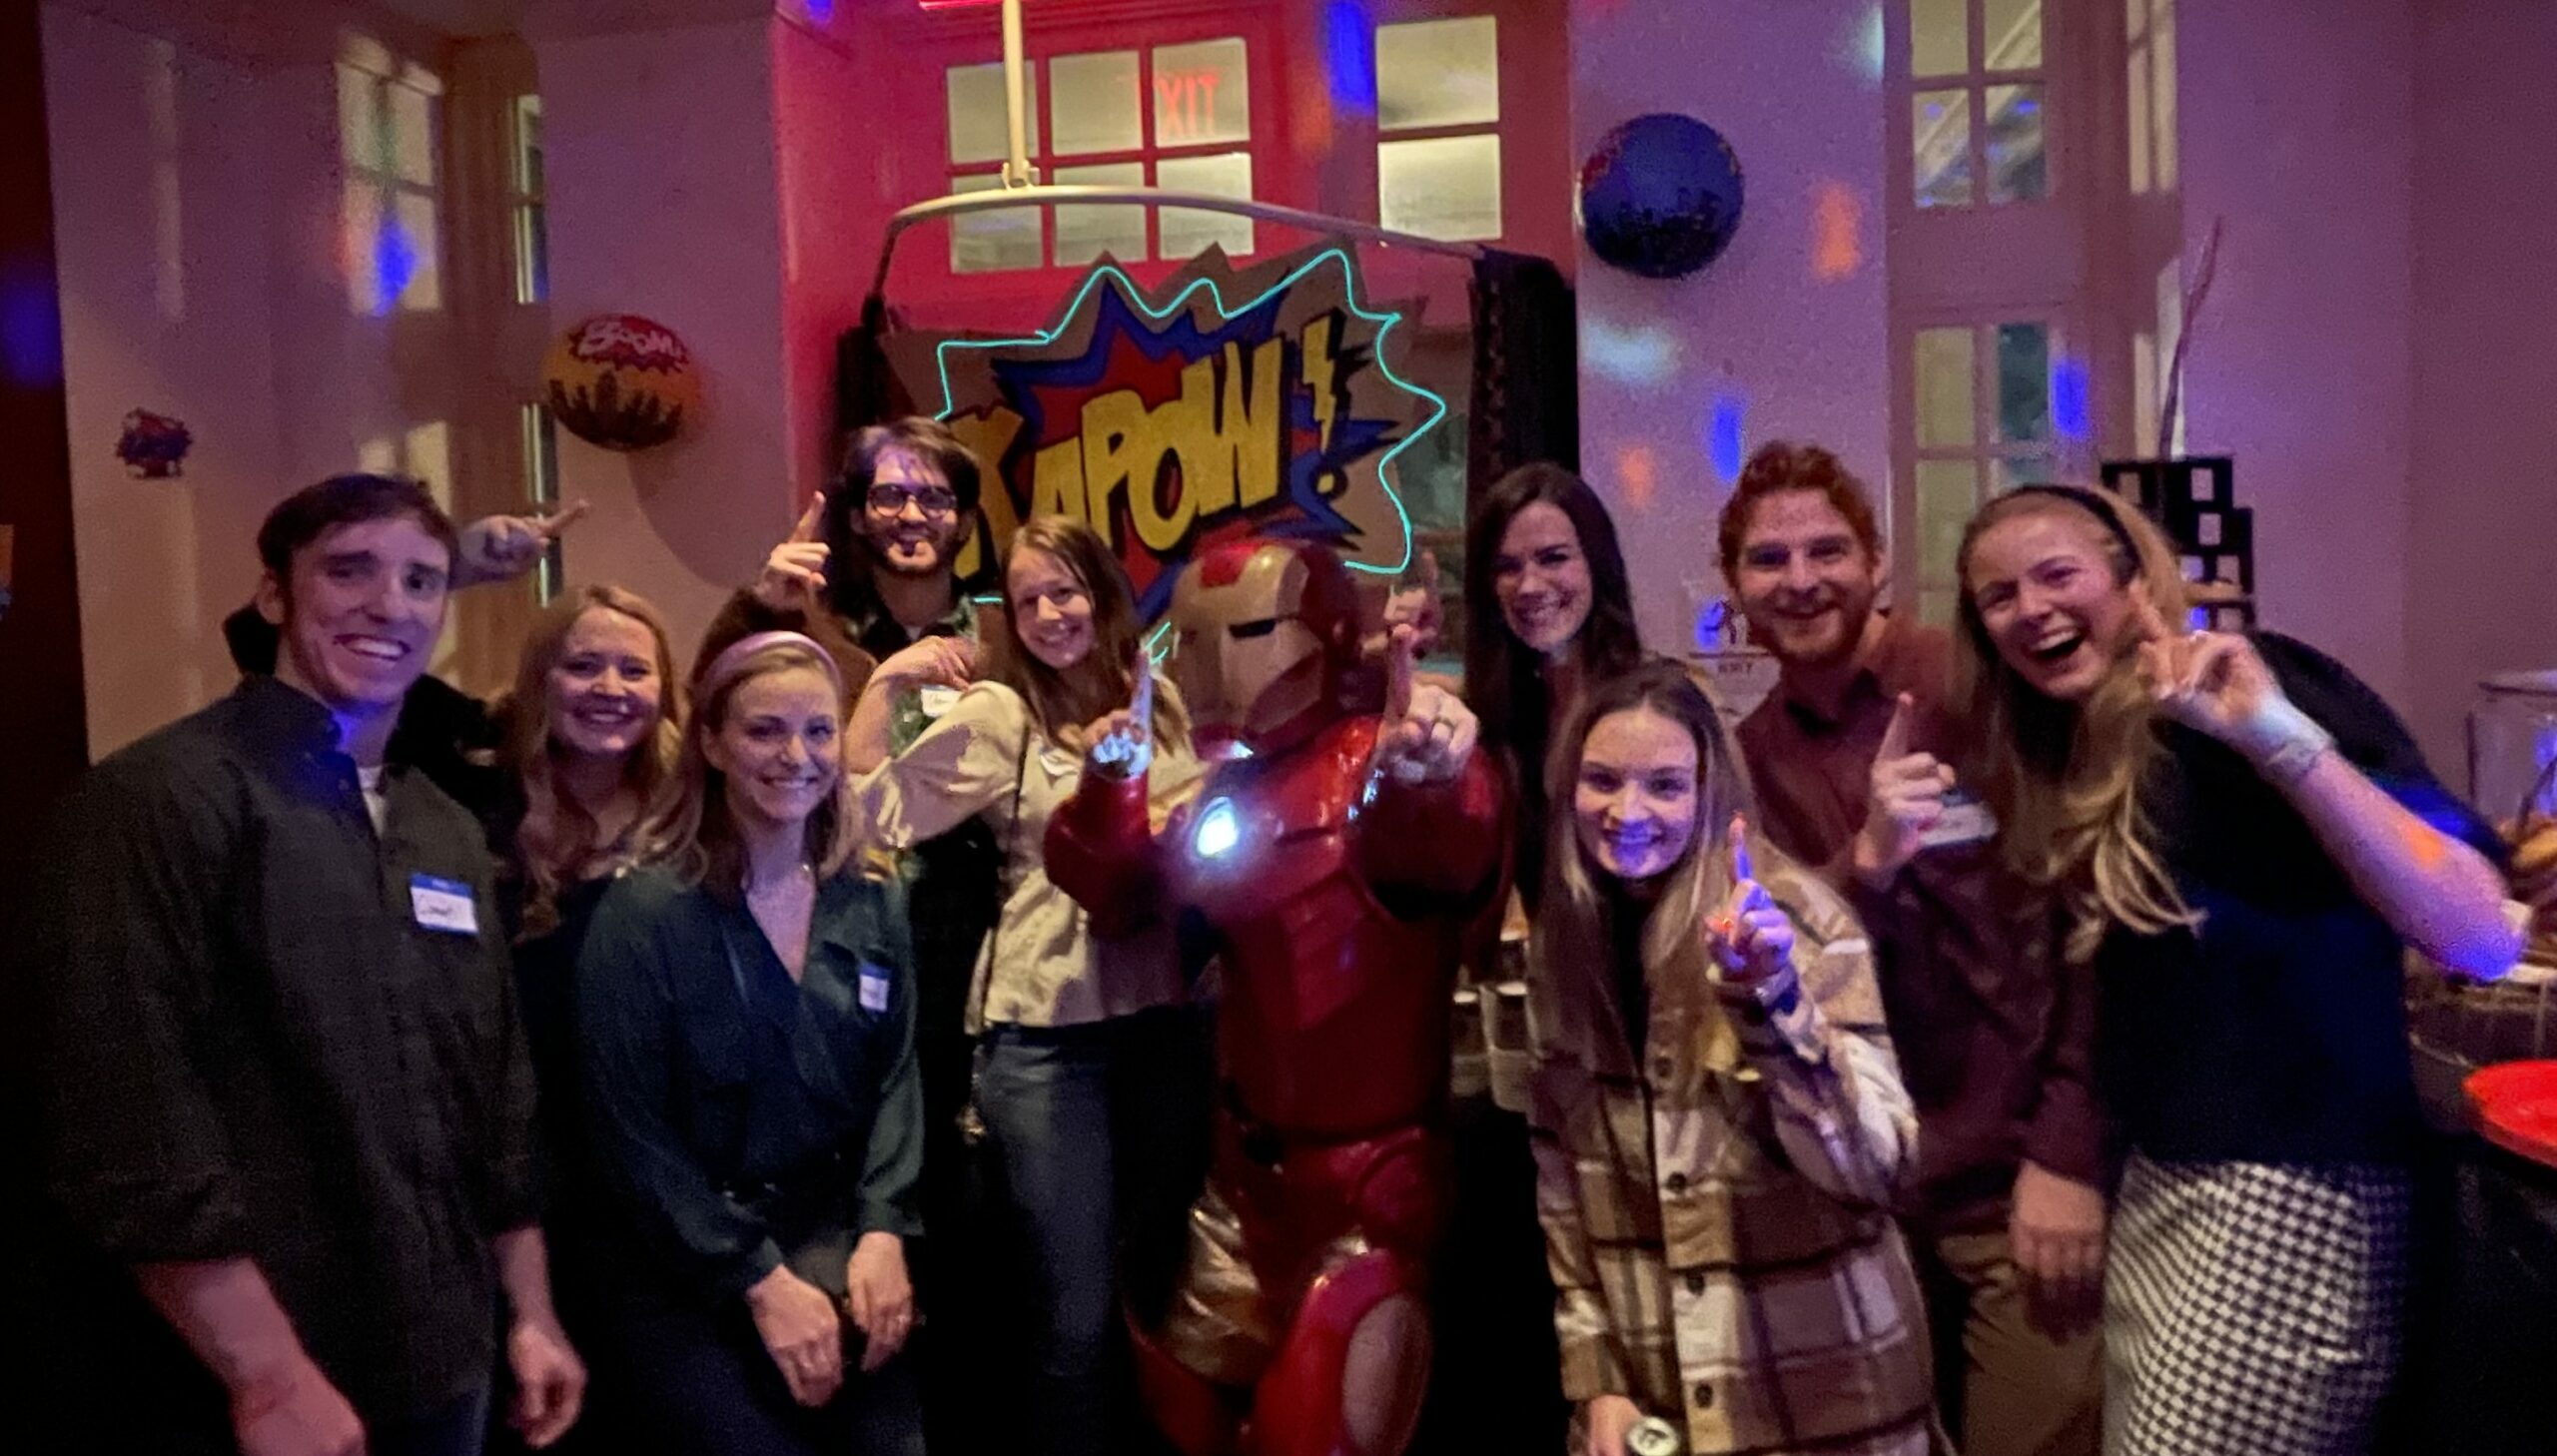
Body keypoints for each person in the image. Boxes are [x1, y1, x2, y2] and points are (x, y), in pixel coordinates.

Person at [13, 473, 585, 1456]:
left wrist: (529, 1311)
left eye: (419, 580)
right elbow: (130, 1114)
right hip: (249, 1383)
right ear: (273, 595)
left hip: (444, 1363)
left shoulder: (442, 828)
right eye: (349, 570)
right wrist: (268, 1376)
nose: (387, 605)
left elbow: (495, 1093)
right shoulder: (156, 803)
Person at [1951, 484, 2519, 1456]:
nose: (2030, 609)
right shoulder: (2079, 755)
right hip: (2163, 1185)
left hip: (2291, 1194)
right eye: (1997, 596)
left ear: (2133, 580)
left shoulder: (2250, 683)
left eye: (2057, 574)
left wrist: (2270, 734)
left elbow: (2474, 929)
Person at [1045, 537, 1505, 1456]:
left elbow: (1452, 846)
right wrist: (1112, 779)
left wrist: (1434, 775)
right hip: (1243, 1174)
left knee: (1318, 1429)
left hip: (1369, 1184)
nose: (1221, 661)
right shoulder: (1235, 788)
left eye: (1251, 630)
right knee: (1181, 1399)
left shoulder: (1382, 764)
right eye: (1196, 636)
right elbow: (1118, 887)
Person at [1719, 441, 2105, 1456]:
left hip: (2018, 1192)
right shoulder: (1748, 759)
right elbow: (1783, 968)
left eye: (1826, 550)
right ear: (1734, 589)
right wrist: (1866, 863)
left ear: (1877, 561)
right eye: (1768, 560)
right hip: (1866, 1207)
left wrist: (2068, 1151)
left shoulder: (1970, 682)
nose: (1799, 581)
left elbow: (2091, 917)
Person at [844, 514, 1210, 1456]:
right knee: (1074, 1323)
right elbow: (868, 811)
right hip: (1050, 1042)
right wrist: (885, 685)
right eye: (1030, 597)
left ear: (1104, 593)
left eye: (1067, 590)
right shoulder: (1003, 713)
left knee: (1164, 1297)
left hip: (1166, 1029)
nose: (1049, 614)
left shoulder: (1156, 700)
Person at [1524, 661, 1932, 1456]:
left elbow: (1880, 1167)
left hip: (1828, 1397)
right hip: (1663, 1396)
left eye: (1667, 786)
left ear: (1712, 795)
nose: (1628, 812)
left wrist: (1774, 1005)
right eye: (1602, 780)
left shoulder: (1795, 922)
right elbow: (1564, 1186)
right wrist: (1598, 1376)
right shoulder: (1564, 945)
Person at [572, 631, 925, 1456]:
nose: (796, 755)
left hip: (842, 1242)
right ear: (712, 743)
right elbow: (632, 1137)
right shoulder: (645, 913)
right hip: (695, 1266)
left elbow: (898, 1077)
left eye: (819, 730)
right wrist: (759, 1283)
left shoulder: (871, 895)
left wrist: (883, 1230)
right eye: (765, 730)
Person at [487, 584, 684, 1455]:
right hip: (515, 1164)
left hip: (650, 1168)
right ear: (540, 680)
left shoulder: (689, 812)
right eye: (583, 664)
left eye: (635, 669)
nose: (610, 686)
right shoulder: (478, 804)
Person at [1462, 461, 1648, 910]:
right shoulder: (1492, 716)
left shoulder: (1657, 705)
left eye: (1553, 558)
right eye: (1507, 567)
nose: (1528, 586)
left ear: (1596, 564)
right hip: (1539, 974)